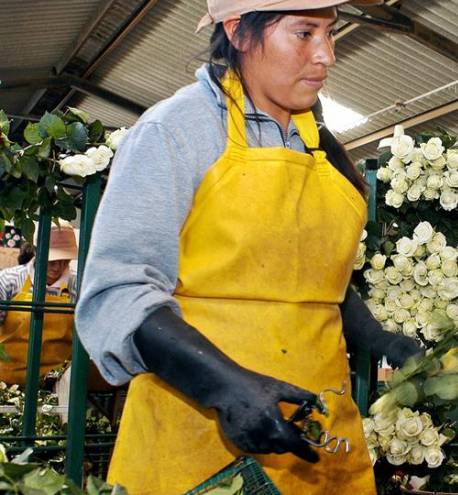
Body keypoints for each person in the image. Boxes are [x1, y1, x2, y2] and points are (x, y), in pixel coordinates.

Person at [75, 1, 420, 494]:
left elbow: (304, 275)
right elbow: (118, 290)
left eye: (329, 33)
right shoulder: (175, 132)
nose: (326, 55)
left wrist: (380, 339)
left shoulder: (314, 141)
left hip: (318, 434)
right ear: (238, 32)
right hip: (200, 438)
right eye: (304, 33)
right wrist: (224, 387)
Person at [0, 226, 77, 384]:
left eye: (65, 261)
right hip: (6, 379)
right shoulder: (9, 280)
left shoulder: (78, 286)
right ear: (36, 251)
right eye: (53, 261)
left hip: (57, 384)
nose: (58, 267)